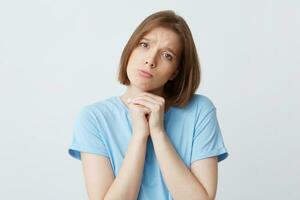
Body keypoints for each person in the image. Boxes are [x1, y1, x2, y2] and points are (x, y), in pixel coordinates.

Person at [68, 10, 229, 200]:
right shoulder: (94, 118)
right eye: (144, 45)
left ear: (175, 72)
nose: (150, 60)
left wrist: (159, 133)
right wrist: (139, 136)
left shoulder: (199, 110)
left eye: (167, 55)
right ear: (130, 48)